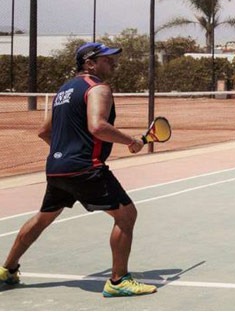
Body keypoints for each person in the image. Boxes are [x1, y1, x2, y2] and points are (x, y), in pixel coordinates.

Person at [0, 42, 157, 297]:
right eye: (107, 59)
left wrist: (65, 153)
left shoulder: (63, 91)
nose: (113, 63)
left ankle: (7, 269)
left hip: (57, 168)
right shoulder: (99, 88)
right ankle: (119, 281)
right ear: (90, 63)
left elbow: (44, 132)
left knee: (43, 217)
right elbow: (98, 127)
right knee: (127, 216)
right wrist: (131, 141)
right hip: (85, 168)